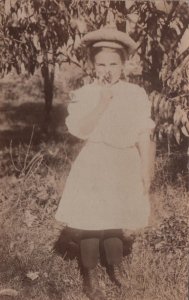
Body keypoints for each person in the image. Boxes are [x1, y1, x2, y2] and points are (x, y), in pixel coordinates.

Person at [55, 26, 156, 300]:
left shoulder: (135, 94)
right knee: (91, 219)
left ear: (124, 65)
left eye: (113, 63)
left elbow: (143, 133)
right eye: (100, 64)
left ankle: (115, 267)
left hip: (124, 162)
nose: (107, 69)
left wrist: (147, 169)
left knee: (116, 217)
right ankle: (90, 275)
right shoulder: (86, 93)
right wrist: (102, 102)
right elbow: (80, 129)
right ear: (91, 65)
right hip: (96, 162)